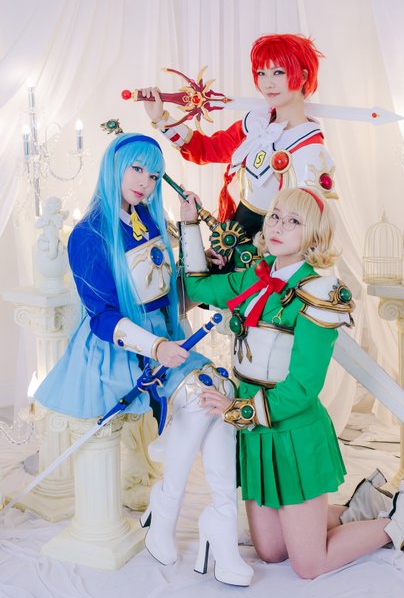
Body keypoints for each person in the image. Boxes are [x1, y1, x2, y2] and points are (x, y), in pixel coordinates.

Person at [179, 185, 404, 579]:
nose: (278, 226)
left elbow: (302, 390)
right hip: (257, 435)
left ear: (314, 235)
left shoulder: (321, 294)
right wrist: (188, 227)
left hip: (293, 433)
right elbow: (198, 287)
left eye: (293, 221)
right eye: (275, 216)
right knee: (271, 552)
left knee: (309, 564)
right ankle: (359, 507)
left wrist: (237, 409)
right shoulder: (255, 276)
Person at [34, 132, 253, 586]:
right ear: (114, 166)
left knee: (220, 395)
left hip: (163, 340)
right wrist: (155, 347)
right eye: (137, 169)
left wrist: (191, 234)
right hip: (115, 350)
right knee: (203, 399)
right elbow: (102, 317)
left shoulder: (147, 220)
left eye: (153, 175)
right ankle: (176, 514)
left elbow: (167, 296)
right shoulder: (88, 235)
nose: (145, 182)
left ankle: (210, 524)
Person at [143, 34, 336, 269]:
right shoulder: (256, 125)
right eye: (261, 73)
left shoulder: (312, 151)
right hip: (232, 241)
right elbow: (206, 149)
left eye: (278, 72)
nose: (267, 83)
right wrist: (161, 119)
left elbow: (309, 230)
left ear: (303, 76)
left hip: (272, 261)